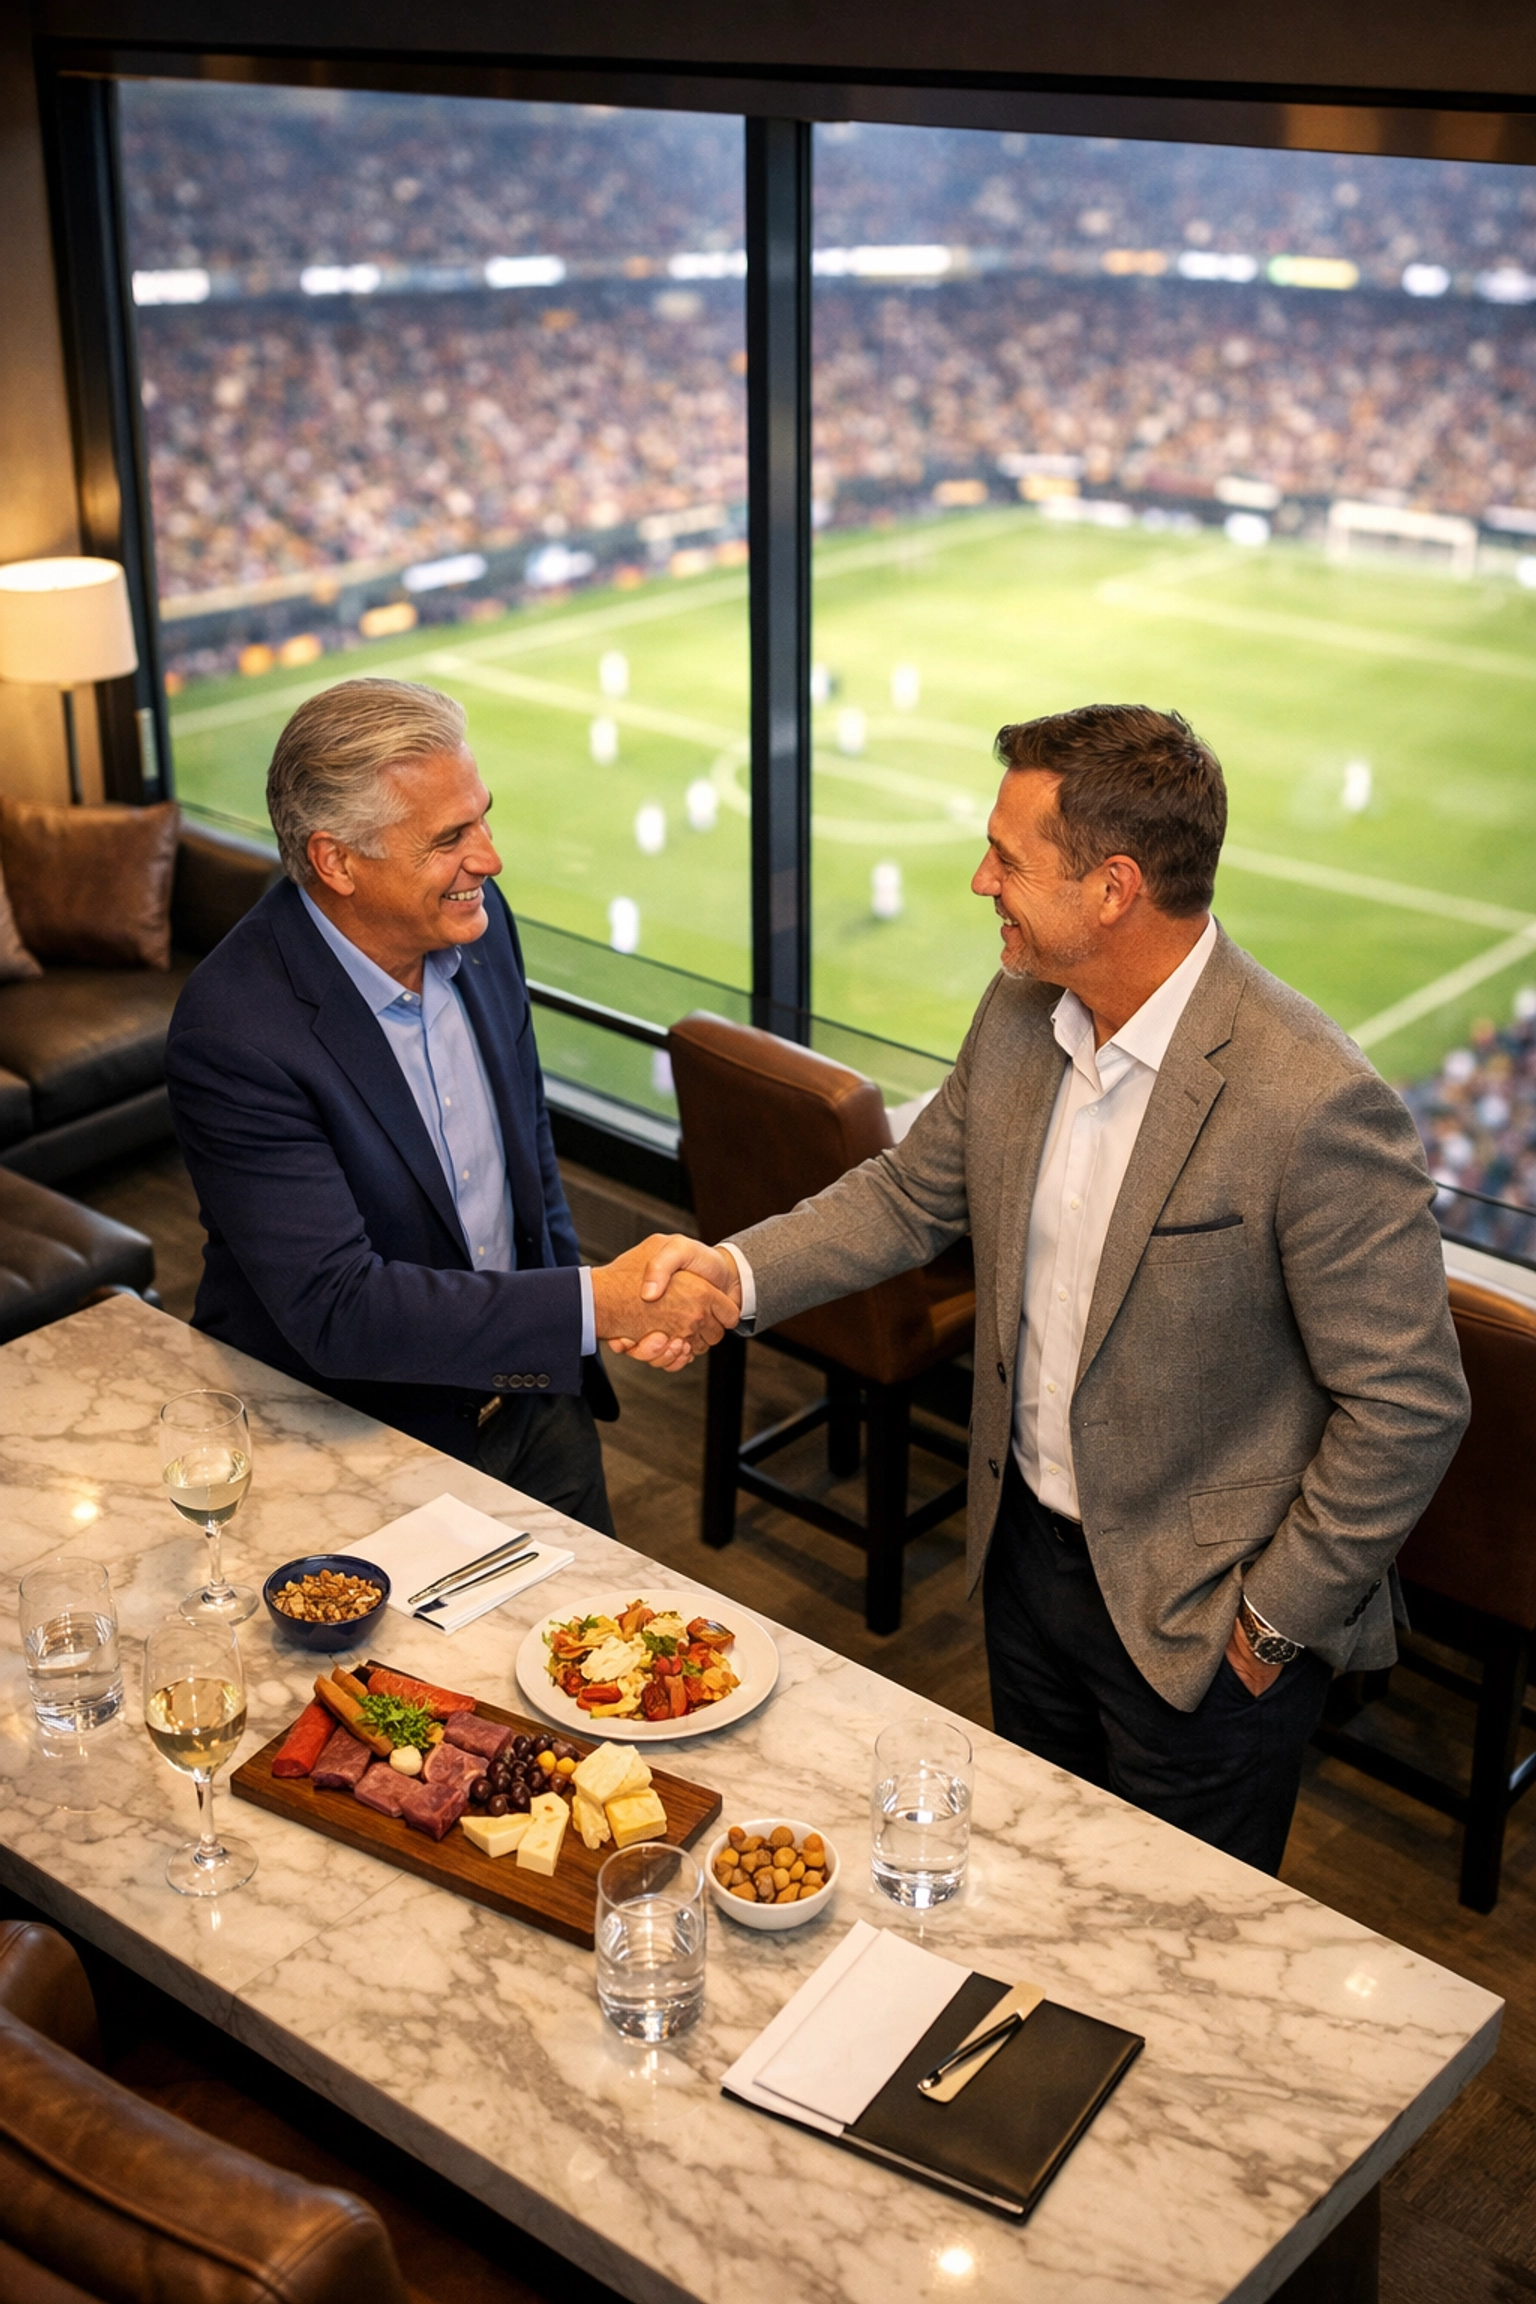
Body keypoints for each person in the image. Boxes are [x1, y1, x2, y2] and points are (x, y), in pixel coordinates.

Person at [629, 704, 1470, 1871]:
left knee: (1176, 1945)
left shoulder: (1312, 1100)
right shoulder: (1021, 1010)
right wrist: (729, 1272)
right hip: (1023, 1562)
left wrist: (1269, 1626)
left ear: (1115, 886)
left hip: (1201, 1623)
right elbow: (909, 1196)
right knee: (1039, 1885)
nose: (982, 881)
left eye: (1009, 861)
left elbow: (1410, 1404)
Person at [166, 677, 736, 1536]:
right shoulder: (234, 1030)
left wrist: (571, 1327)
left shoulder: (477, 917)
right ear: (337, 861)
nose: (491, 858)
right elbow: (337, 1305)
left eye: (483, 817)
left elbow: (526, 1149)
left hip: (540, 1408)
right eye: (449, 837)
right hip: (361, 1453)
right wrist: (598, 1303)